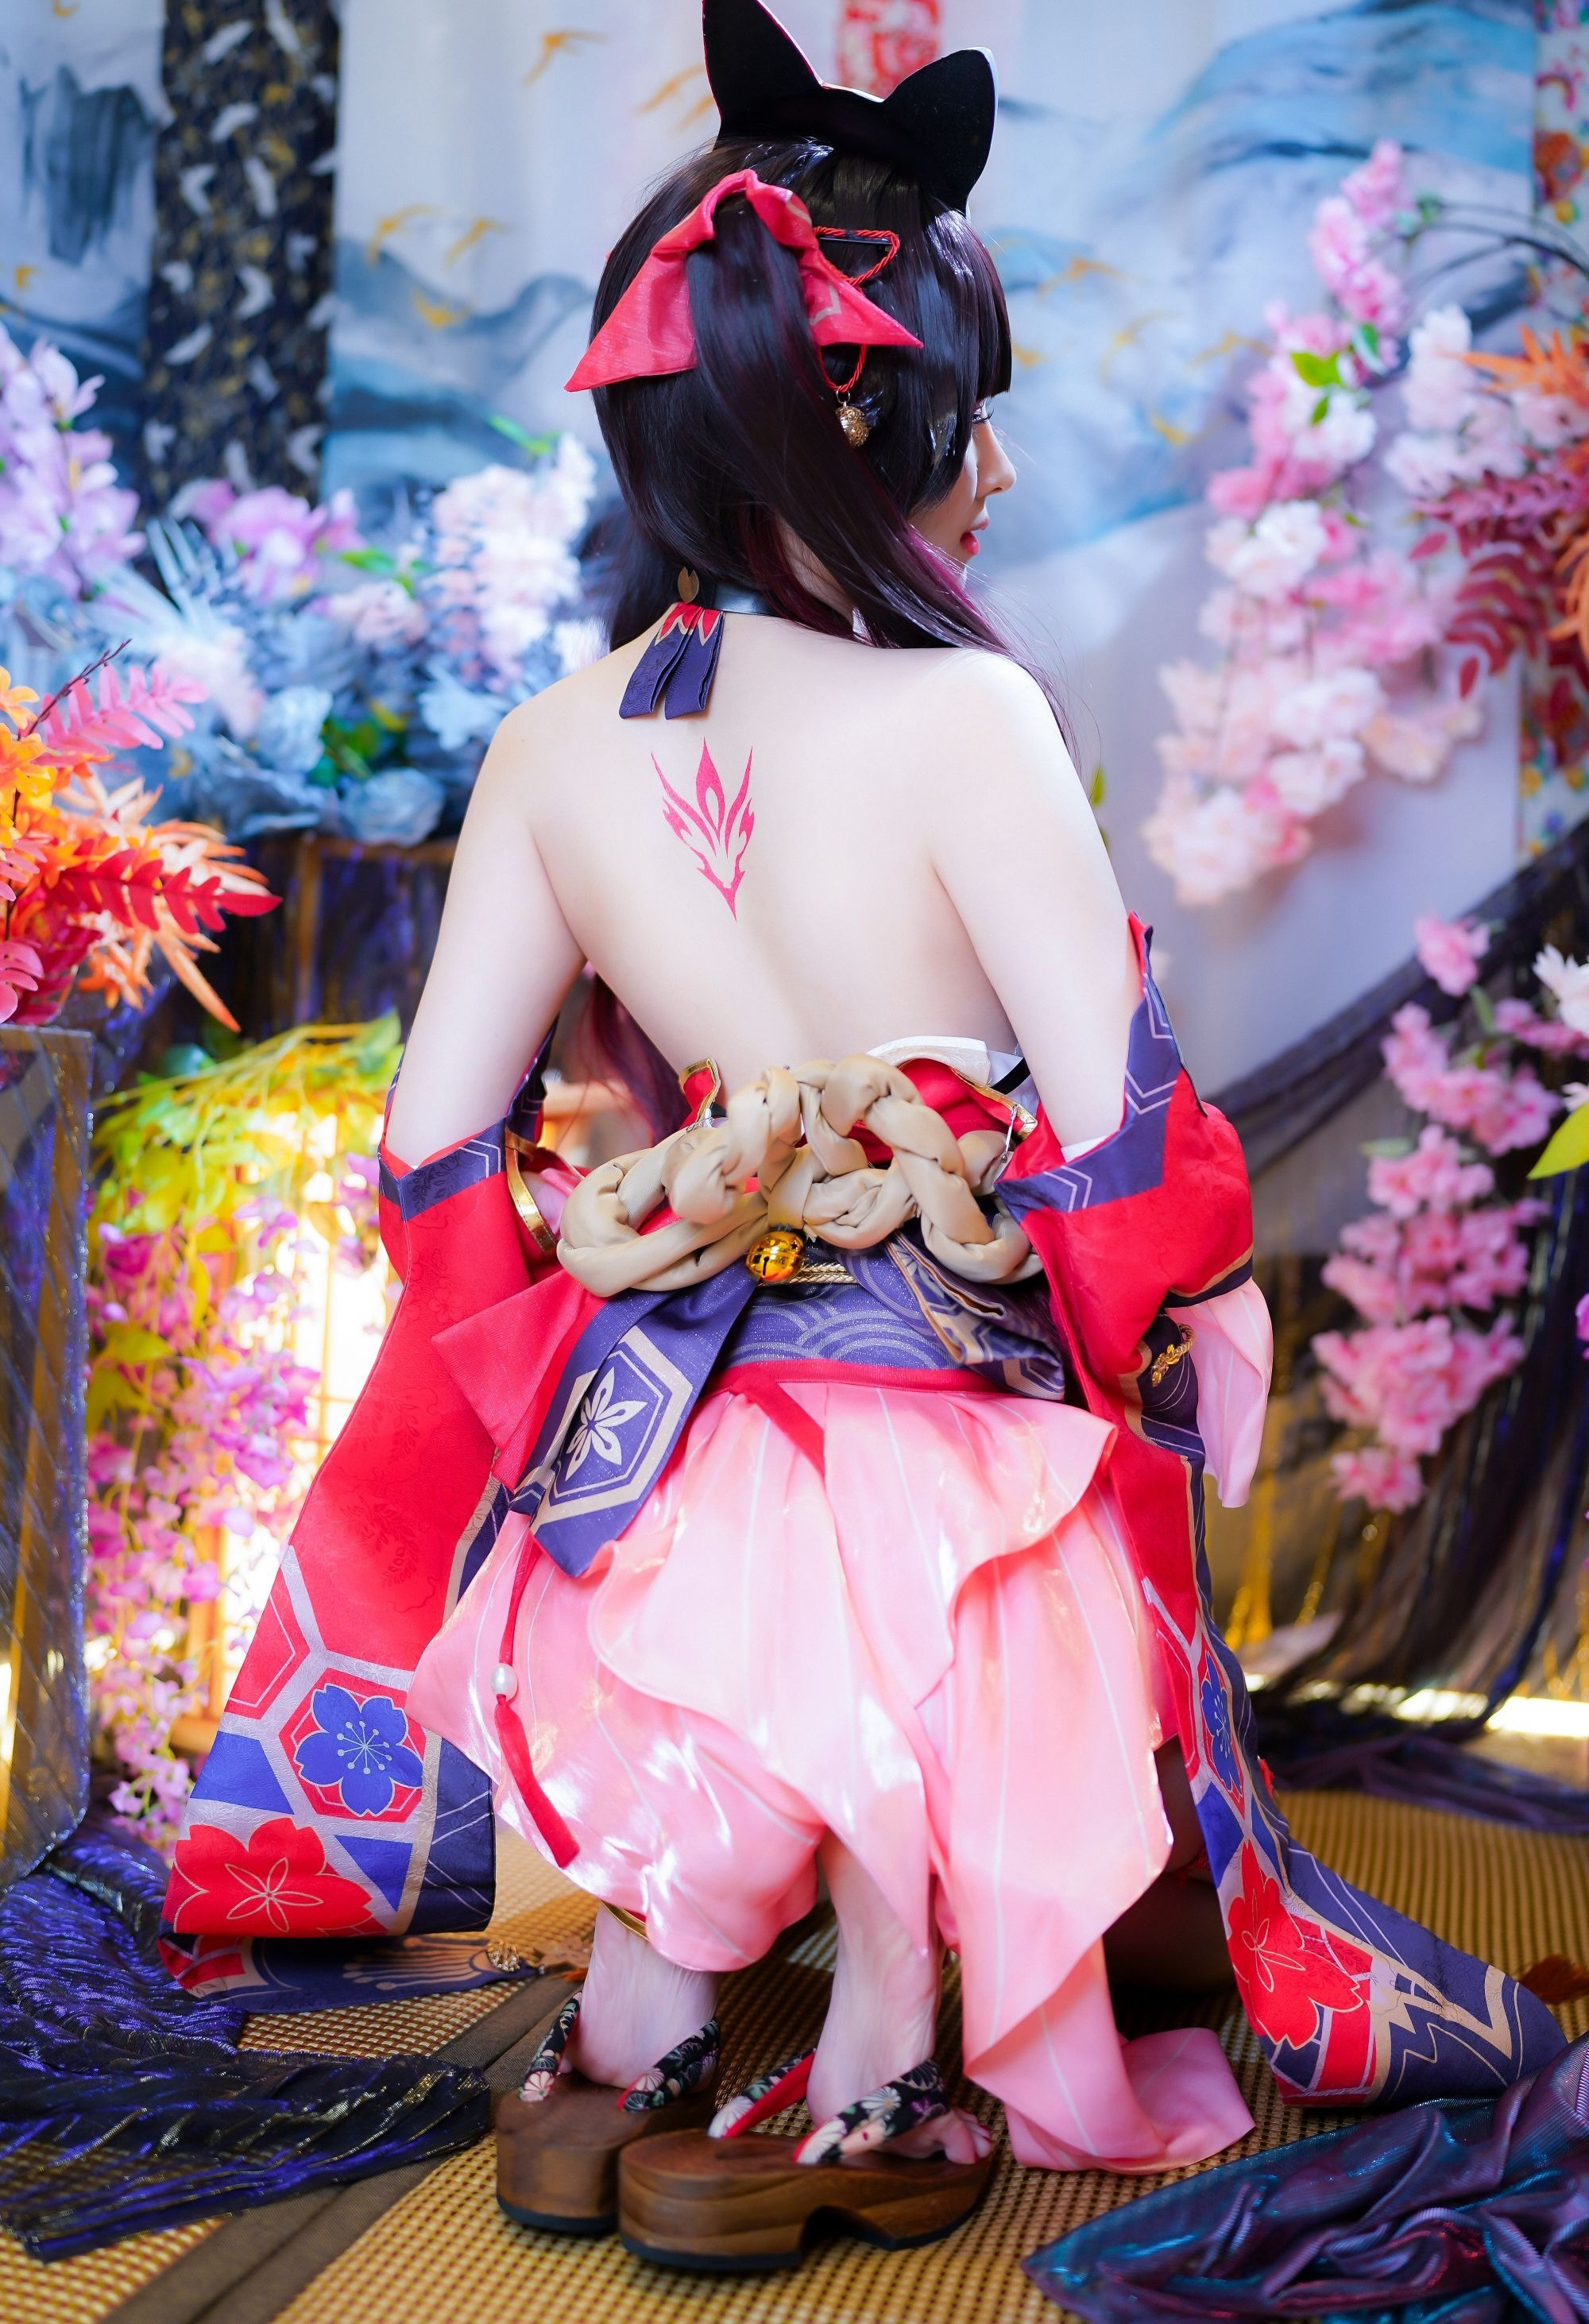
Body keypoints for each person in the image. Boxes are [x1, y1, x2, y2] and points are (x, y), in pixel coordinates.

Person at [163, 0, 1566, 2275]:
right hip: (940, 1384)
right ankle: (886, 2033)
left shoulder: (555, 742)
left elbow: (431, 1152)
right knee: (965, 1575)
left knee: (694, 1575)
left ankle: (630, 2042)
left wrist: (540, 1380)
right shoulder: (968, 714)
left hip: (671, 1394)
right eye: (967, 412)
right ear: (858, 415)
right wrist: (1185, 1326)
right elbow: (1120, 1128)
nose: (993, 470)